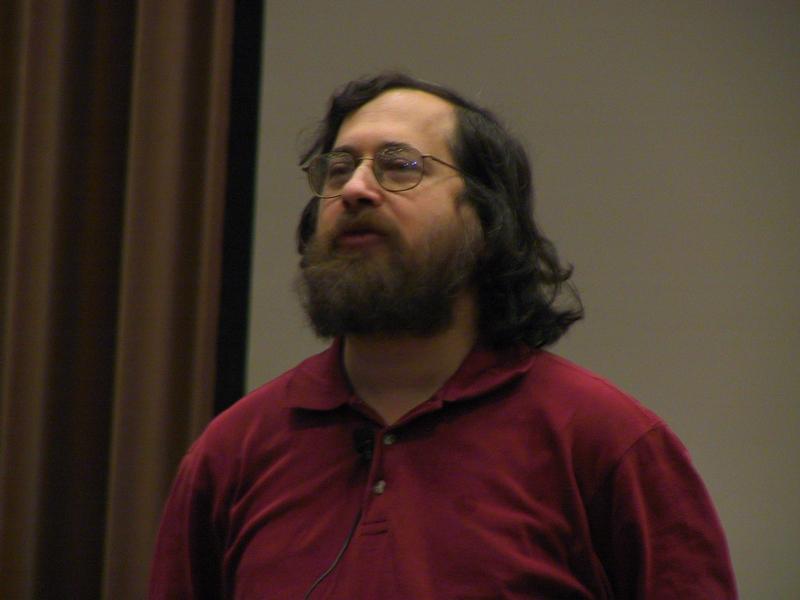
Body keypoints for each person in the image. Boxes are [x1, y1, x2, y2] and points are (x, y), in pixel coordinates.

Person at [149, 73, 737, 599]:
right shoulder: (232, 452)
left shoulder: (607, 443)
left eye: (399, 165)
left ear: (486, 220)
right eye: (337, 168)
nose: (354, 189)